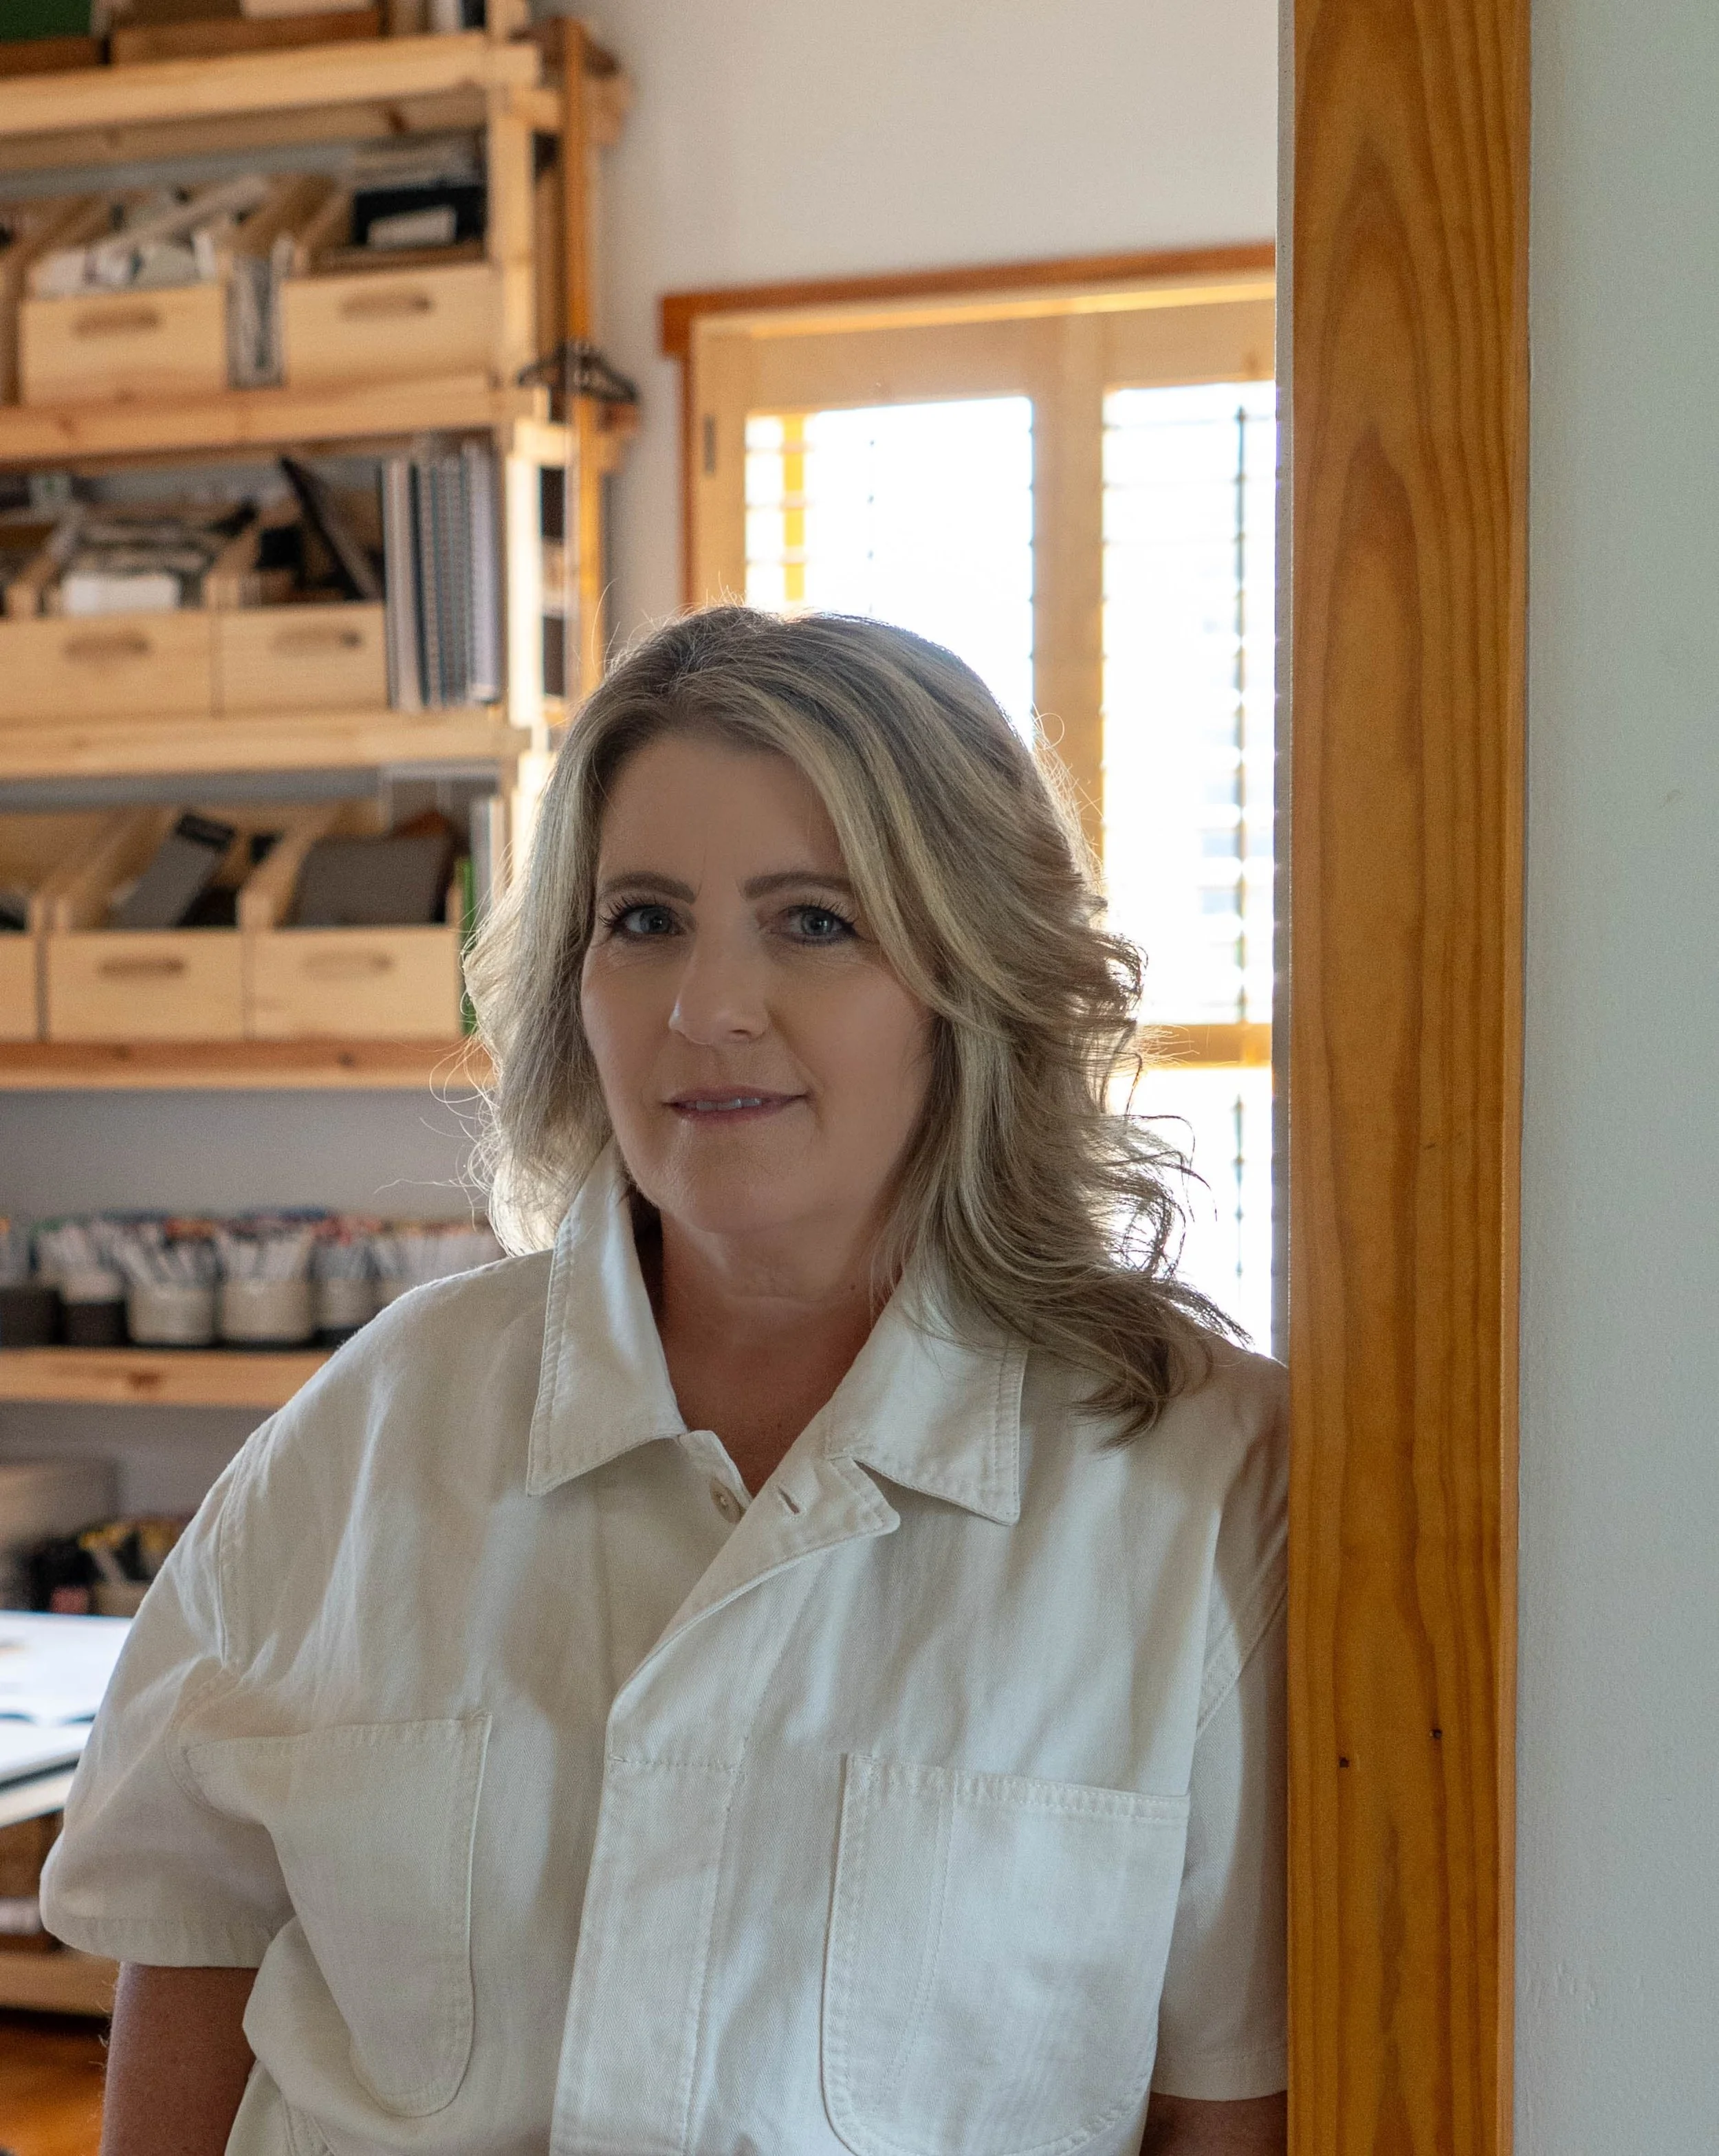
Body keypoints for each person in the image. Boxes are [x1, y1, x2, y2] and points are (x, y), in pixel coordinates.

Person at [43, 607, 1287, 2156]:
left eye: (813, 921)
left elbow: (1218, 2097)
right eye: (643, 920)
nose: (705, 1007)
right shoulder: (374, 1427)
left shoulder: (1194, 1480)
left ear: (977, 977)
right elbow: (194, 1940)